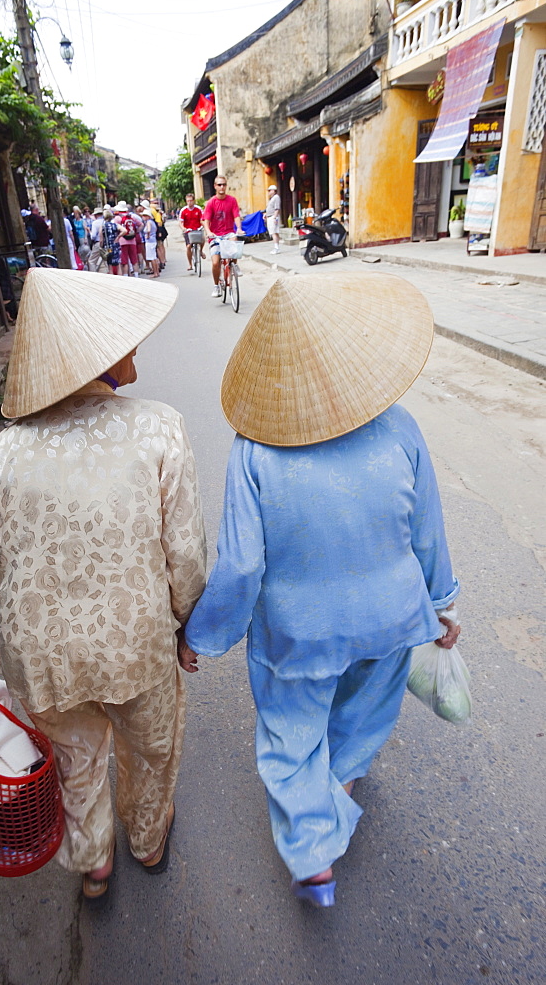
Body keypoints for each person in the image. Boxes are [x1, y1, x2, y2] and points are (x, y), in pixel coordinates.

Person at [181, 272, 461, 908]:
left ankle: (311, 853)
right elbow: (427, 533)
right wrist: (441, 604)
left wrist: (203, 633)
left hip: (297, 631)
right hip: (391, 618)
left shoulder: (254, 450)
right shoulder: (400, 428)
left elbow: (243, 565)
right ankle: (341, 791)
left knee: (291, 726)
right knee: (362, 712)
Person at [0, 268, 206, 900]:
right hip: (135, 645)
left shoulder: (7, 450)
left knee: (75, 761)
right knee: (151, 752)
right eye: (125, 340)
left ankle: (94, 862)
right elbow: (186, 556)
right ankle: (147, 840)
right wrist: (189, 626)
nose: (136, 351)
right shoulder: (159, 428)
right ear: (97, 357)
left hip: (40, 656)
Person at [202, 176, 243, 297]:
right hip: (215, 235)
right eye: (219, 185)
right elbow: (206, 220)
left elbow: (236, 215)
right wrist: (209, 232)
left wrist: (239, 228)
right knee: (216, 263)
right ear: (215, 186)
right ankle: (216, 286)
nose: (222, 187)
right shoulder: (211, 203)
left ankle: (234, 265)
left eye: (224, 184)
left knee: (234, 239)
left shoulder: (232, 200)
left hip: (228, 232)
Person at [179, 193, 206, 271]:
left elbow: (202, 220)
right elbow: (181, 222)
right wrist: (183, 228)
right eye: (188, 201)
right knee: (188, 246)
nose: (189, 202)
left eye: (191, 200)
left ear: (193, 201)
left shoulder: (198, 209)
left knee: (202, 239)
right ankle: (190, 264)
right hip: (188, 231)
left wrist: (204, 226)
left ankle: (200, 251)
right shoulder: (183, 211)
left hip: (197, 229)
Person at [114, 201, 138, 277]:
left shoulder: (117, 218)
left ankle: (126, 276)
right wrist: (135, 233)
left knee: (124, 261)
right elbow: (141, 224)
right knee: (134, 260)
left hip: (122, 241)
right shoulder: (132, 217)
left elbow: (115, 228)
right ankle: (136, 276)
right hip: (132, 241)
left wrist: (118, 237)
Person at [139, 206, 160, 278]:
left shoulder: (148, 222)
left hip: (149, 241)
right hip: (153, 240)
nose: (143, 217)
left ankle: (155, 272)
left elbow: (148, 230)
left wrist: (148, 235)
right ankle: (157, 271)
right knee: (154, 257)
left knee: (152, 257)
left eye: (144, 216)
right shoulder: (153, 222)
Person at [99, 207, 121, 275]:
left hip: (108, 247)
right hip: (115, 246)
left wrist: (101, 247)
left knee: (110, 263)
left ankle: (112, 278)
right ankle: (121, 278)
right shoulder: (115, 225)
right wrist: (118, 237)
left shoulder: (102, 226)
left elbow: (101, 240)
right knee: (117, 263)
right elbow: (124, 230)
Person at [149, 198, 167, 270]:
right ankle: (163, 259)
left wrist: (159, 231)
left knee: (159, 246)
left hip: (158, 228)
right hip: (161, 228)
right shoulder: (158, 210)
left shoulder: (153, 211)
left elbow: (158, 221)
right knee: (161, 245)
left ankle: (161, 261)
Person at [264, 184, 281, 254]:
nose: (269, 192)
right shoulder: (272, 198)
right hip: (270, 216)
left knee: (274, 232)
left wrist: (275, 217)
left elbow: (277, 208)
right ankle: (276, 247)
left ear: (274, 191)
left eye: (270, 190)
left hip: (273, 216)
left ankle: (276, 247)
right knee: (274, 232)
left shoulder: (276, 197)